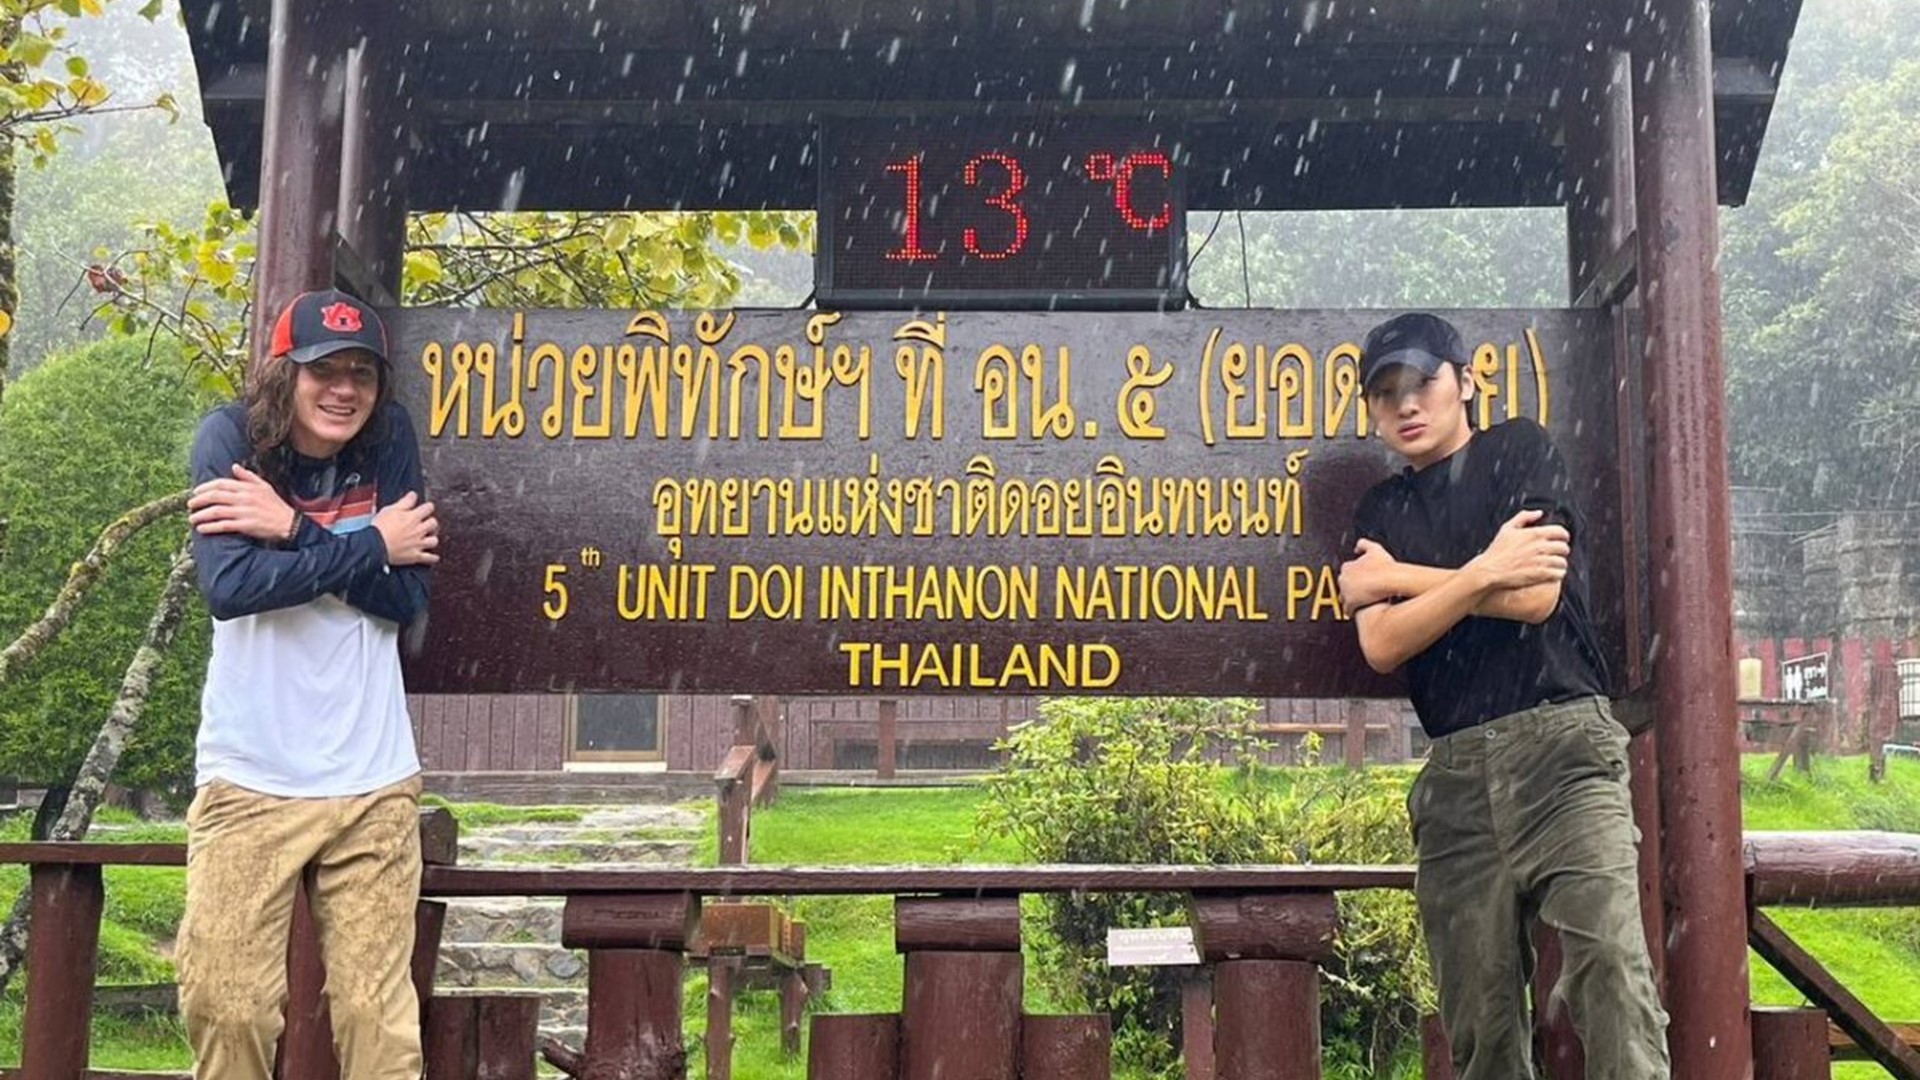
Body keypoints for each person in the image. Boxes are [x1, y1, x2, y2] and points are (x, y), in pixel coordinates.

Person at [1338, 313, 1668, 1080]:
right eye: (1386, 393)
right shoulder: (1380, 511)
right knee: (1479, 1021)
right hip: (1454, 776)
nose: (1406, 404)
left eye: (1422, 382)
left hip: (1565, 750)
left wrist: (1406, 581)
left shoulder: (1517, 448)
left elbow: (1535, 596)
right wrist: (1485, 570)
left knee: (1611, 969)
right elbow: (1383, 645)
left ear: (1467, 381)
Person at [177, 289, 439, 1080]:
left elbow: (407, 603)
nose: (344, 389)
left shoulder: (389, 439)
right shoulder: (229, 439)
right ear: (283, 374)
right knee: (229, 1007)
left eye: (362, 372)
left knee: (375, 1019)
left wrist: (292, 530)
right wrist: (369, 545)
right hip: (249, 776)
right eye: (324, 368)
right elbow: (231, 588)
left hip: (375, 779)